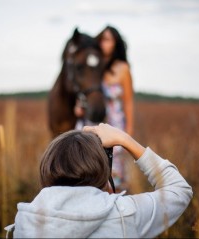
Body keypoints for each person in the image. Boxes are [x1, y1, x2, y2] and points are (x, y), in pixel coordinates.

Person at [5, 123, 193, 238]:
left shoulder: (25, 220)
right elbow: (179, 190)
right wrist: (125, 140)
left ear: (47, 167)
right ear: (103, 169)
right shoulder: (125, 213)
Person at [75, 25, 134, 191]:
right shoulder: (94, 64)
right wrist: (79, 106)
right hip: (92, 120)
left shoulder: (122, 68)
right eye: (101, 39)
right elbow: (85, 89)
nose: (103, 43)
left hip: (114, 122)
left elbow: (128, 101)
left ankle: (115, 203)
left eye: (107, 40)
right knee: (88, 161)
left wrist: (129, 129)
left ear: (115, 43)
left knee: (114, 166)